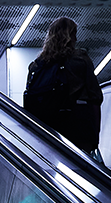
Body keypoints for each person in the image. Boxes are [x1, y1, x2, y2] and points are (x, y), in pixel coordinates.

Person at [23, 17, 103, 160]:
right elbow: (95, 97)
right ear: (69, 36)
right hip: (77, 128)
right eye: (74, 34)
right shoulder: (80, 60)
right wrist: (95, 136)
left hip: (46, 129)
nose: (76, 38)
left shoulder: (36, 66)